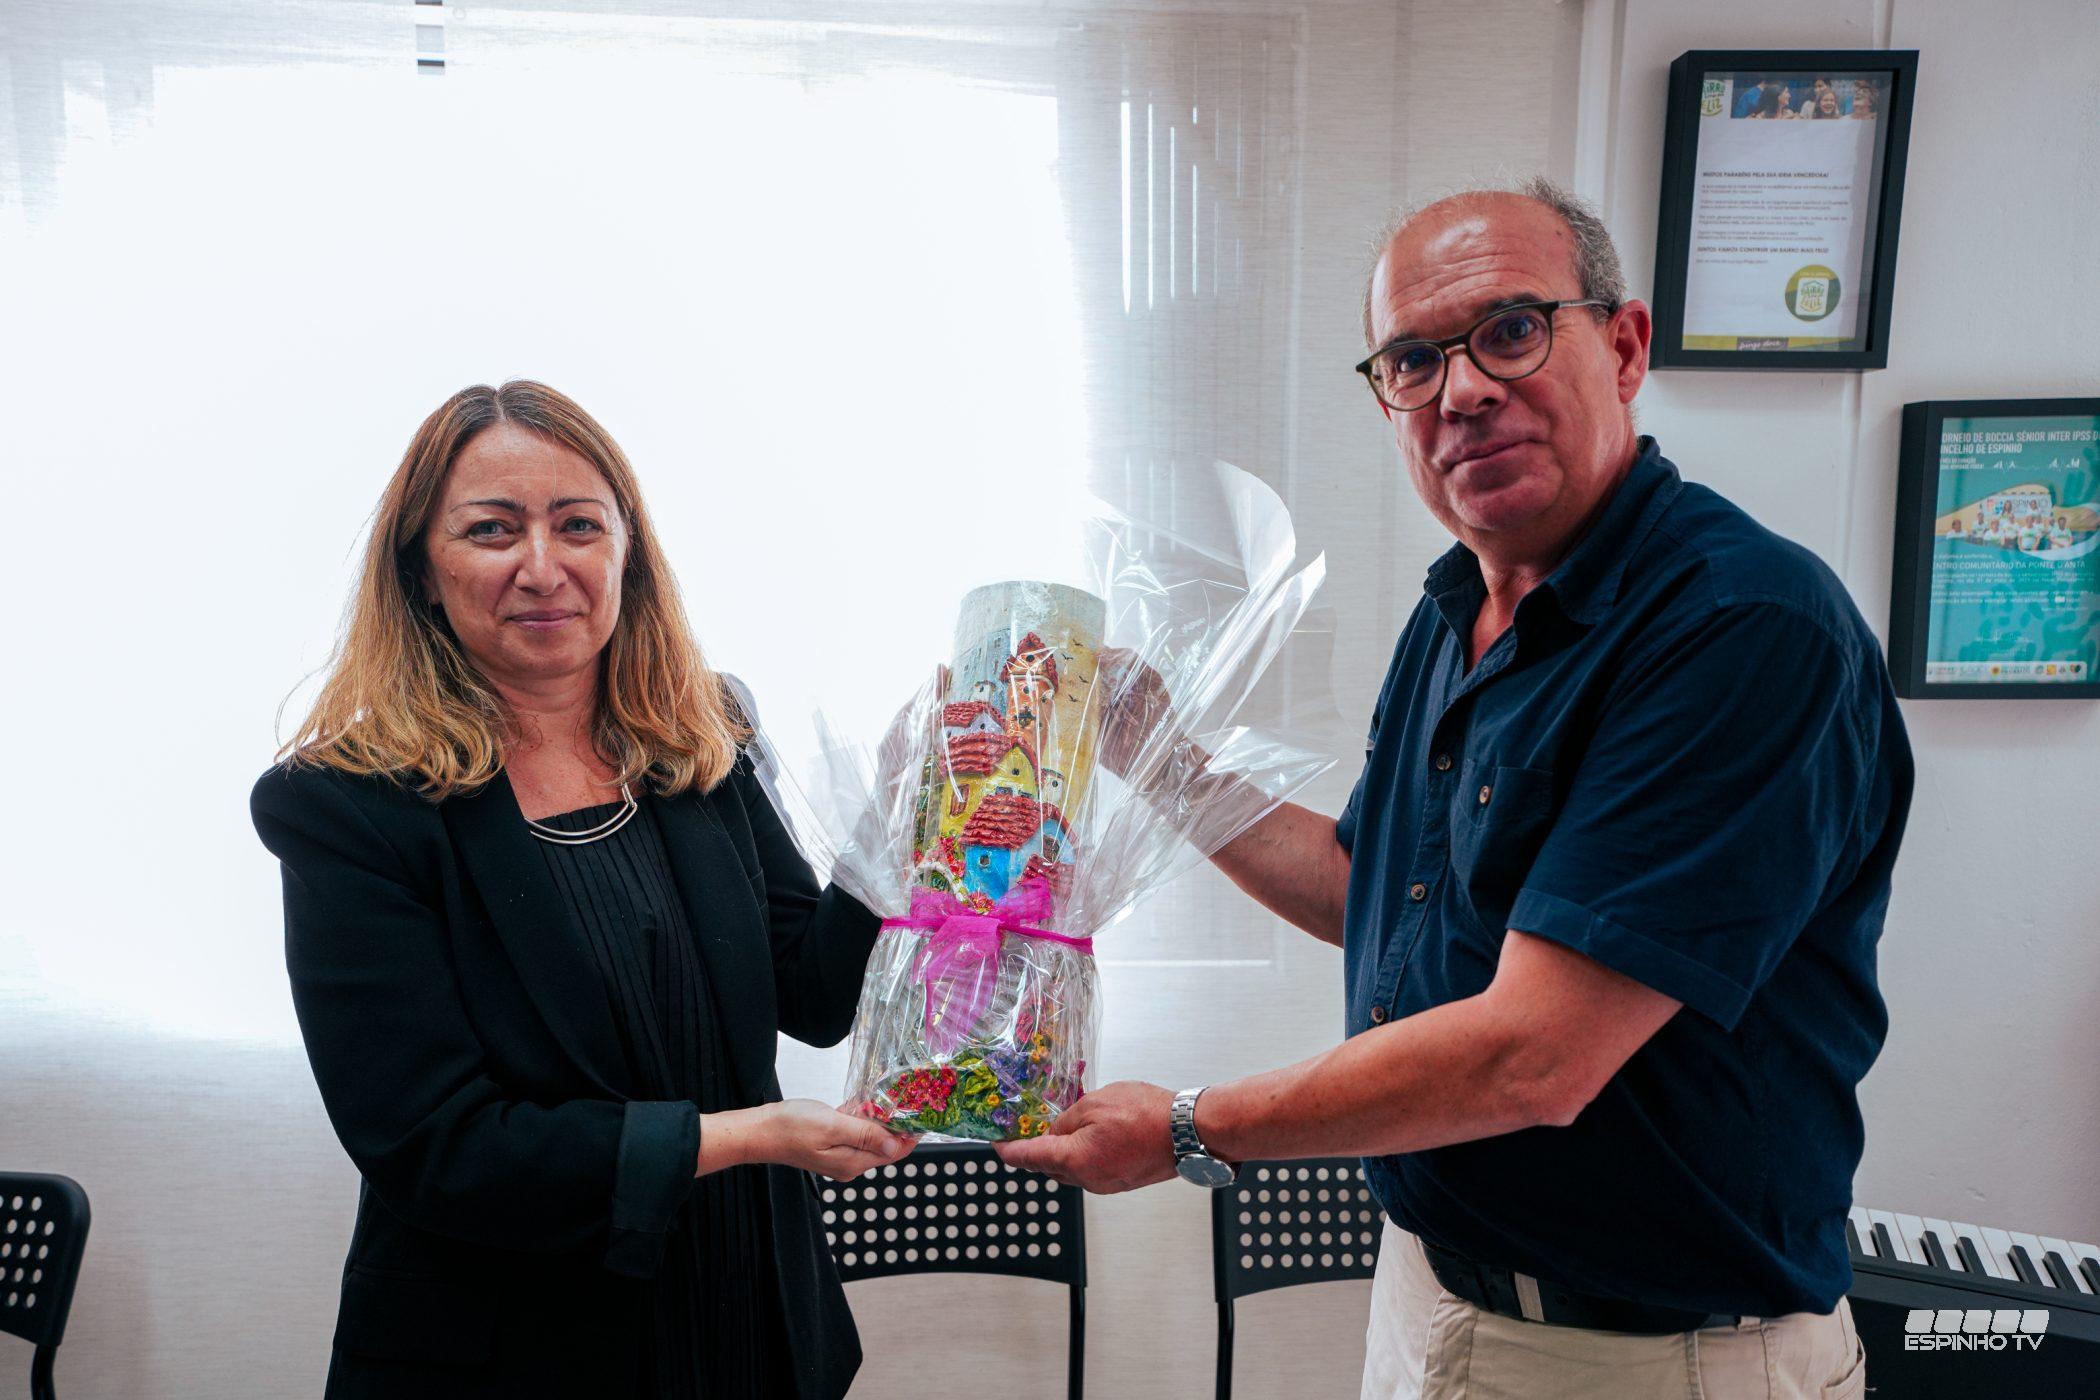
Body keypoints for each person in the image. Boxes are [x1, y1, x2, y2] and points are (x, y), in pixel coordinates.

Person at [1000, 180, 1908, 1400]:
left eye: (1512, 330)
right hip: (1432, 1296)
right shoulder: (1458, 612)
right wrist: (1157, 752)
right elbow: (1372, 889)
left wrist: (1185, 1125)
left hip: (1651, 1358)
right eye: (1415, 361)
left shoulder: (1741, 628)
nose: (1463, 390)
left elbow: (1534, 1054)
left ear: (1625, 347)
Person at [251, 381, 914, 1400]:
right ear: (421, 570)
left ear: (627, 552)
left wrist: (906, 815)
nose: (542, 565)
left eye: (578, 525)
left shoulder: (701, 737)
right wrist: (747, 1136)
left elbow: (814, 992)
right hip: (515, 1351)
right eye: (491, 529)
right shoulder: (348, 804)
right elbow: (439, 1147)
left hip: (747, 1319)